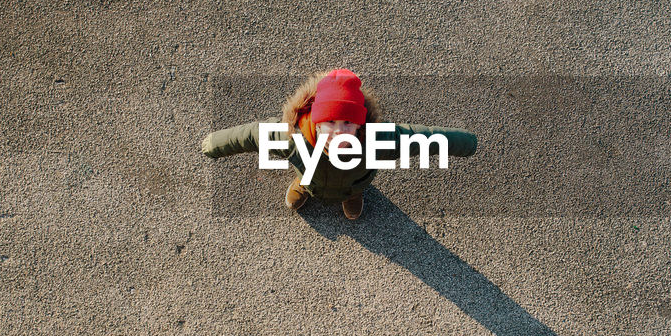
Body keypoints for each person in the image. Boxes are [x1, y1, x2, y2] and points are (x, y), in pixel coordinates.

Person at [200, 67, 477, 220]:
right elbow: (250, 135)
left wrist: (466, 143)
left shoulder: (377, 140)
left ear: (360, 123)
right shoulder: (291, 136)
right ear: (316, 123)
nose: (338, 133)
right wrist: (214, 143)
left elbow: (423, 138)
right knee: (309, 177)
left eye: (347, 124)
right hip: (313, 176)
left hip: (354, 181)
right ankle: (304, 187)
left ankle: (352, 195)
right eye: (329, 124)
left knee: (352, 187)